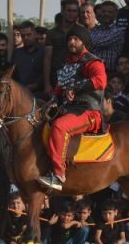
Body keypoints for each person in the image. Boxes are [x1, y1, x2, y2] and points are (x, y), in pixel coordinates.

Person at [38, 26, 106, 192]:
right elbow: (59, 89)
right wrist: (52, 101)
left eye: (76, 39)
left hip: (90, 111)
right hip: (69, 109)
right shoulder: (65, 64)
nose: (72, 42)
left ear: (84, 42)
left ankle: (58, 175)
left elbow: (100, 81)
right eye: (69, 39)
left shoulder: (92, 61)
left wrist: (75, 88)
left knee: (60, 126)